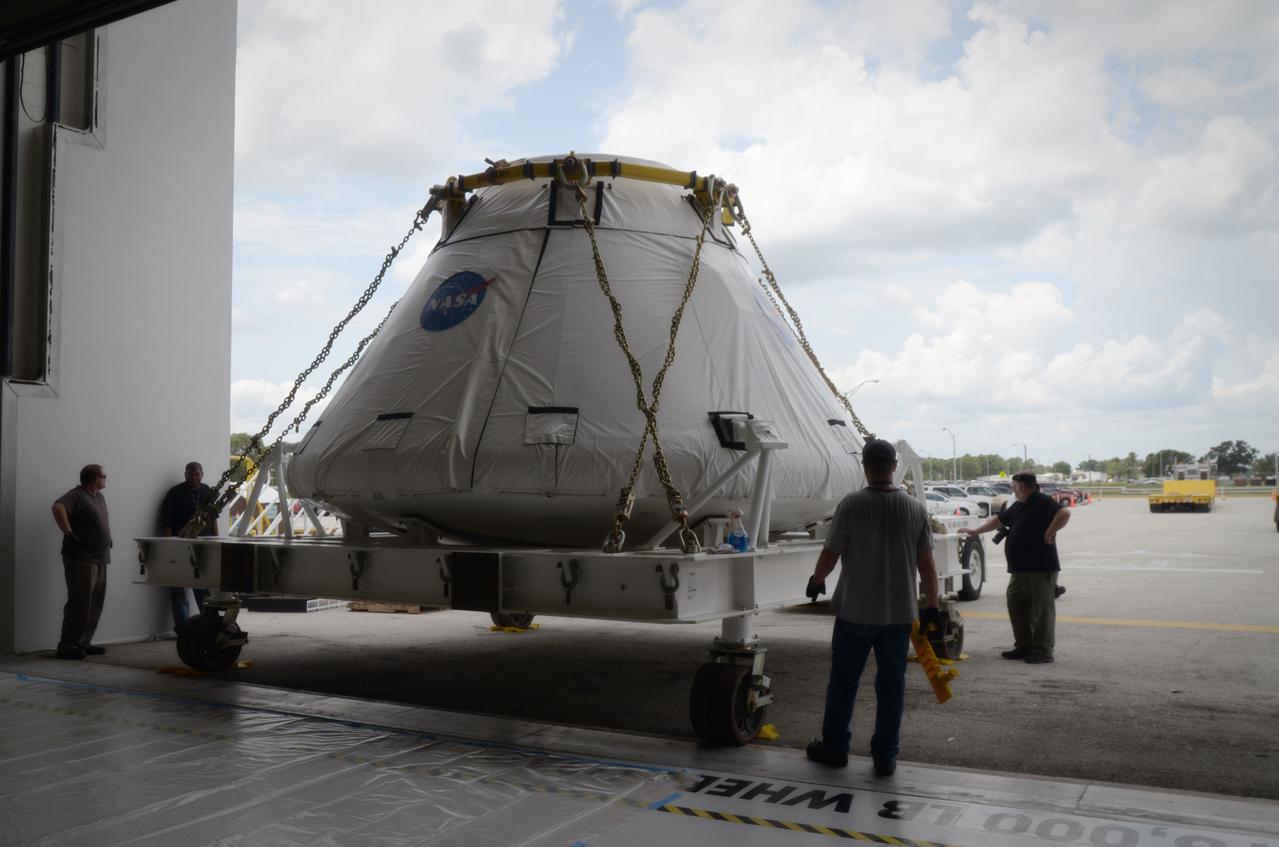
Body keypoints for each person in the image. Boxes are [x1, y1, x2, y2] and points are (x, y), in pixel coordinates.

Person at [803, 438, 941, 776]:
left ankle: (835, 748)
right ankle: (886, 757)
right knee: (892, 685)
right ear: (894, 467)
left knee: (844, 682)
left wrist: (817, 579)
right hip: (899, 614)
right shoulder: (915, 508)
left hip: (855, 612)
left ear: (864, 467)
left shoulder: (851, 505)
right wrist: (933, 607)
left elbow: (831, 552)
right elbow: (927, 565)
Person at [960, 471, 1070, 664]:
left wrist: (1050, 532)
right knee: (1017, 605)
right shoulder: (1020, 505)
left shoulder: (1042, 501)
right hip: (1019, 568)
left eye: (1014, 486)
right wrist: (976, 531)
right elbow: (999, 521)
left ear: (1022, 486)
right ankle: (1023, 645)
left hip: (1040, 567)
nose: (1012, 489)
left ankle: (1043, 650)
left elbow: (1064, 512)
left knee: (1041, 609)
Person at [50, 464, 112, 659]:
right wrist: (68, 532)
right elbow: (57, 507)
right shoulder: (77, 495)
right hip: (81, 557)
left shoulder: (99, 496)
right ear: (94, 478)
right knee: (80, 601)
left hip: (100, 556)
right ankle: (68, 644)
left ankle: (84, 641)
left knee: (95, 601)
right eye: (103, 476)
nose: (106, 478)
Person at [159, 461, 218, 629]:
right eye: (190, 474)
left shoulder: (207, 491)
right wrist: (170, 546)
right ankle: (183, 629)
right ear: (185, 474)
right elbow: (167, 523)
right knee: (178, 587)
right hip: (181, 545)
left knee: (203, 588)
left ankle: (208, 624)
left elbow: (213, 519)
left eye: (197, 474)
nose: (194, 477)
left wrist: (216, 540)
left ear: (202, 474)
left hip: (204, 546)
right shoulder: (175, 494)